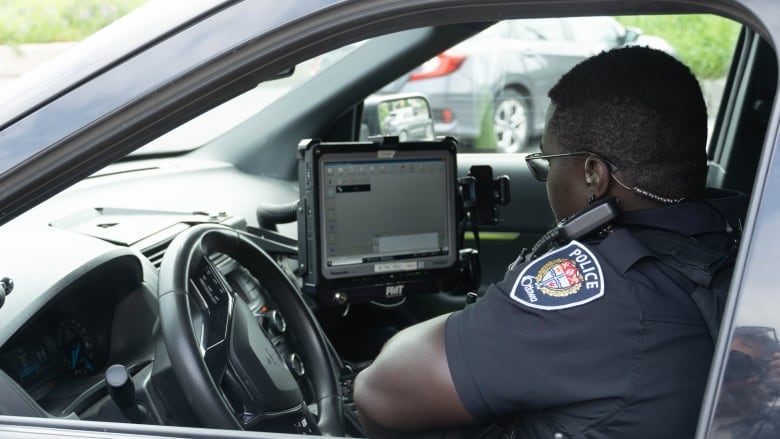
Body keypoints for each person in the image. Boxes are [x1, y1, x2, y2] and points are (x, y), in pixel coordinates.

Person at [353, 46, 747, 438]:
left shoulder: (599, 288)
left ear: (593, 174)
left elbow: (379, 391)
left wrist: (493, 313)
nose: (547, 178)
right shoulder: (740, 241)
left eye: (547, 164)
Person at [713, 326, 780, 438]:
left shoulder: (773, 426)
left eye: (759, 366)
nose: (751, 376)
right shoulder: (688, 405)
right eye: (738, 362)